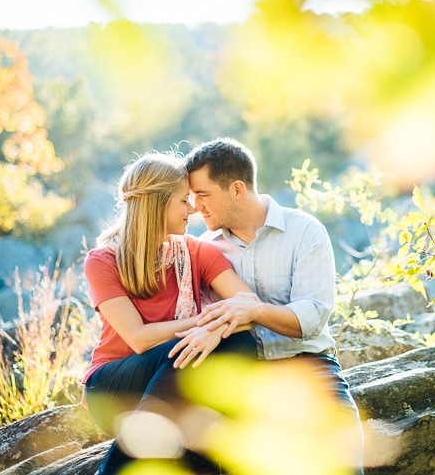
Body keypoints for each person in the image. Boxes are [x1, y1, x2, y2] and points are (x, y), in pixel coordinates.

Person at [174, 137, 365, 474]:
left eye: (203, 195)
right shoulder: (204, 249)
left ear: (236, 189)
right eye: (191, 197)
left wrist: (254, 310)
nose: (195, 206)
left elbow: (312, 317)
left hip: (311, 369)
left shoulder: (304, 231)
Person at [81, 152, 257, 475]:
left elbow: (248, 304)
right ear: (157, 204)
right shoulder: (103, 260)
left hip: (173, 382)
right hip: (114, 389)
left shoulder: (197, 252)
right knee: (187, 351)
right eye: (183, 201)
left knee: (242, 343)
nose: (192, 209)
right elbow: (138, 339)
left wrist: (216, 328)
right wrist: (206, 324)